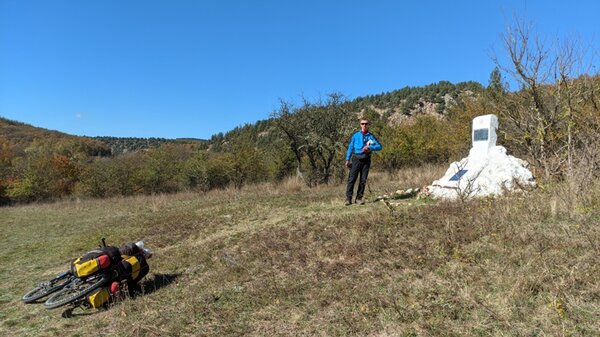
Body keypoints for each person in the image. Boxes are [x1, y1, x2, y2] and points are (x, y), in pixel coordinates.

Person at [344, 118, 382, 205]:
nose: (364, 125)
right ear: (360, 125)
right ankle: (348, 199)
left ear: (368, 125)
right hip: (356, 158)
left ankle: (359, 198)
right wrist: (347, 159)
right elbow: (350, 147)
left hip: (366, 159)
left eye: (366, 124)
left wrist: (370, 147)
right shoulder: (355, 135)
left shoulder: (371, 136)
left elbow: (379, 147)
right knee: (351, 179)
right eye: (362, 123)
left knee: (363, 180)